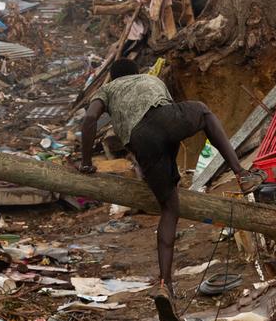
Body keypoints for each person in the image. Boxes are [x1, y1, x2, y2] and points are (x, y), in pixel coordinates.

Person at [76, 58, 261, 300]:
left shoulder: (107, 89)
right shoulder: (151, 79)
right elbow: (170, 133)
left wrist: (87, 162)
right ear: (136, 72)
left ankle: (166, 284)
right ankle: (242, 174)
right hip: (165, 119)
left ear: (113, 77)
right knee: (203, 112)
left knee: (169, 209)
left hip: (140, 139)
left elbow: (90, 119)